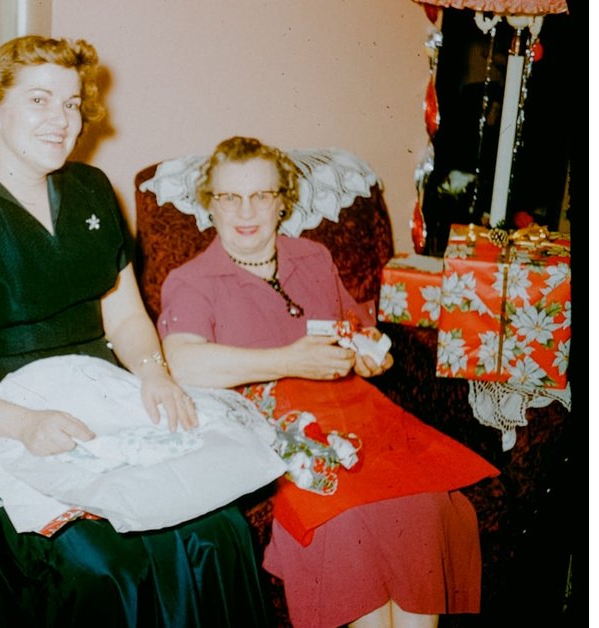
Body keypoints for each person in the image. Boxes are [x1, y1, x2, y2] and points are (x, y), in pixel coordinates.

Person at [0, 38, 267, 626]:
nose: (61, 120)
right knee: (101, 567)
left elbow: (125, 317)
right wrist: (23, 423)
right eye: (39, 99)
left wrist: (154, 373)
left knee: (217, 530)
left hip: (98, 395)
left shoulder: (92, 189)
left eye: (71, 104)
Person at [158, 137, 499, 628]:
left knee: (420, 503)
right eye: (230, 197)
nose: (246, 210)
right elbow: (184, 365)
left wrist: (369, 354)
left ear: (282, 200)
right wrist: (288, 359)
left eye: (261, 195)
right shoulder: (191, 281)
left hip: (360, 415)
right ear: (211, 204)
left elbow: (358, 331)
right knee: (348, 520)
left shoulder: (312, 257)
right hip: (285, 435)